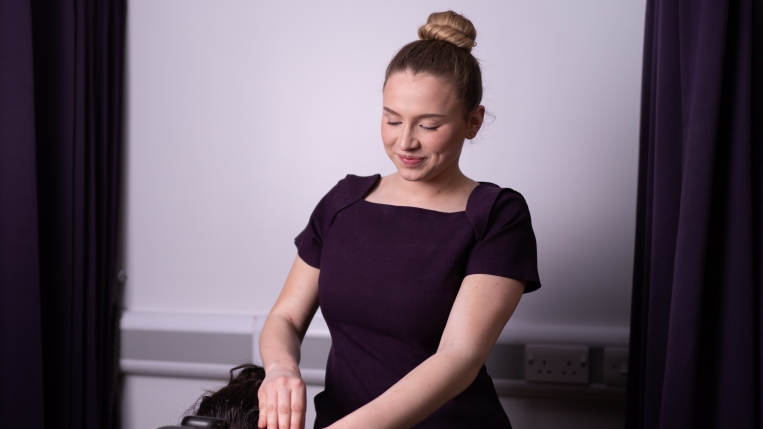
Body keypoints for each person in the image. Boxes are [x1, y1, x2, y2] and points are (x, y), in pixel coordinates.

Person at [257, 10, 541, 429]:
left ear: (473, 121)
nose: (405, 141)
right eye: (392, 119)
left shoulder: (497, 215)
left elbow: (458, 358)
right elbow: (285, 318)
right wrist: (281, 370)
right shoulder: (343, 202)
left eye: (428, 125)